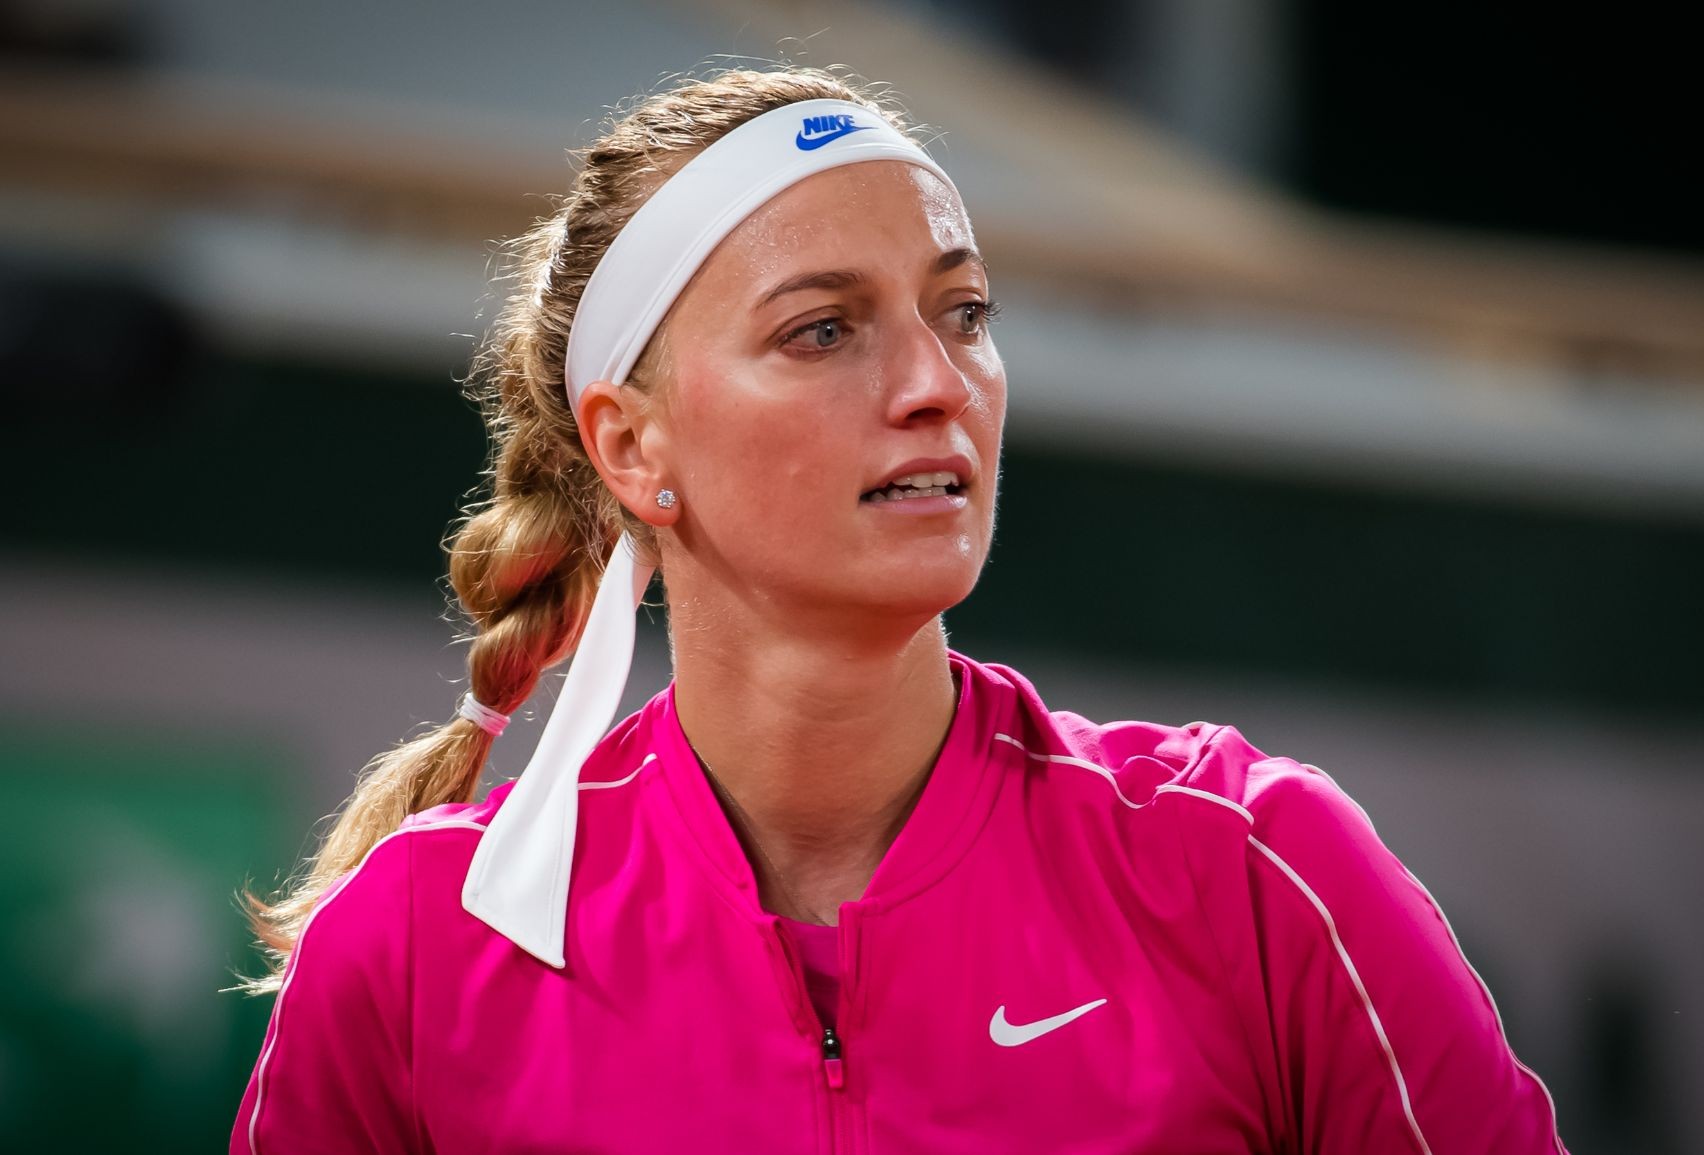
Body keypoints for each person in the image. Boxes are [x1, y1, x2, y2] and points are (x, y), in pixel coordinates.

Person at [231, 66, 1567, 1154]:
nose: (937, 383)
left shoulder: (1254, 870)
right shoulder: (412, 952)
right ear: (632, 447)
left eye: (964, 313)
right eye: (823, 330)